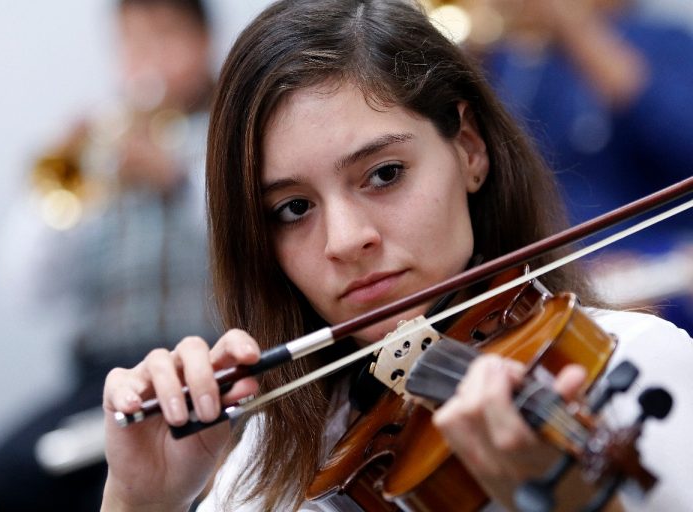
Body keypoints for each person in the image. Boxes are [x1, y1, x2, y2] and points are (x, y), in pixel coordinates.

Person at [101, 1, 693, 511]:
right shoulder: (265, 460)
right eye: (292, 209)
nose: (344, 240)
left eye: (384, 174)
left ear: (468, 148)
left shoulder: (632, 366)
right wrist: (139, 500)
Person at [0, 1, 216, 510]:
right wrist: (60, 194)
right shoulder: (102, 152)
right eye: (132, 43)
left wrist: (174, 180)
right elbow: (29, 289)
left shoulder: (229, 130)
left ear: (203, 43)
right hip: (105, 378)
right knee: (4, 473)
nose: (145, 59)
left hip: (202, 363)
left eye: (163, 38)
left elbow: (254, 234)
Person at [470, 0, 693, 331]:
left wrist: (577, 31)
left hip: (655, 273)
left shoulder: (664, 40)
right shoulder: (508, 63)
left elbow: (682, 146)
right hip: (544, 285)